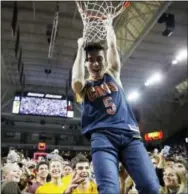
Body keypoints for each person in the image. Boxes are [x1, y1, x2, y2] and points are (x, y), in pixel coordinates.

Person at [72, 23, 160, 194]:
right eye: (90, 60)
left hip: (129, 136)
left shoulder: (113, 74)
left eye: (99, 59)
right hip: (102, 137)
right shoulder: (83, 87)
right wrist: (79, 48)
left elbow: (112, 46)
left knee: (151, 187)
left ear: (104, 60)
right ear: (85, 63)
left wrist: (109, 29)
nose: (95, 63)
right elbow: (76, 80)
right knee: (109, 191)